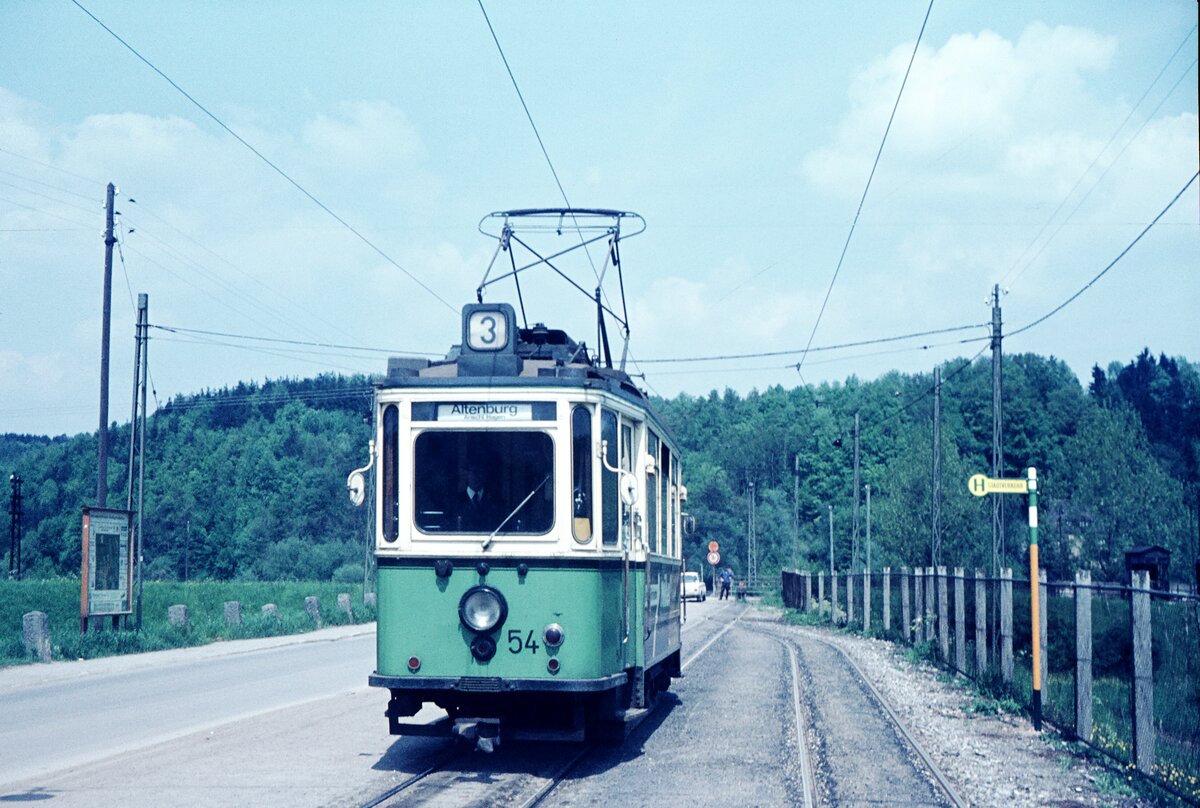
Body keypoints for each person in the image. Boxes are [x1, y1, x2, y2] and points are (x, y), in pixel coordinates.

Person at [455, 461, 500, 532]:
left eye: (481, 472)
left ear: (485, 475)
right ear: (467, 474)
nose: (477, 476)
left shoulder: (495, 501)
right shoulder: (455, 501)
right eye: (474, 472)